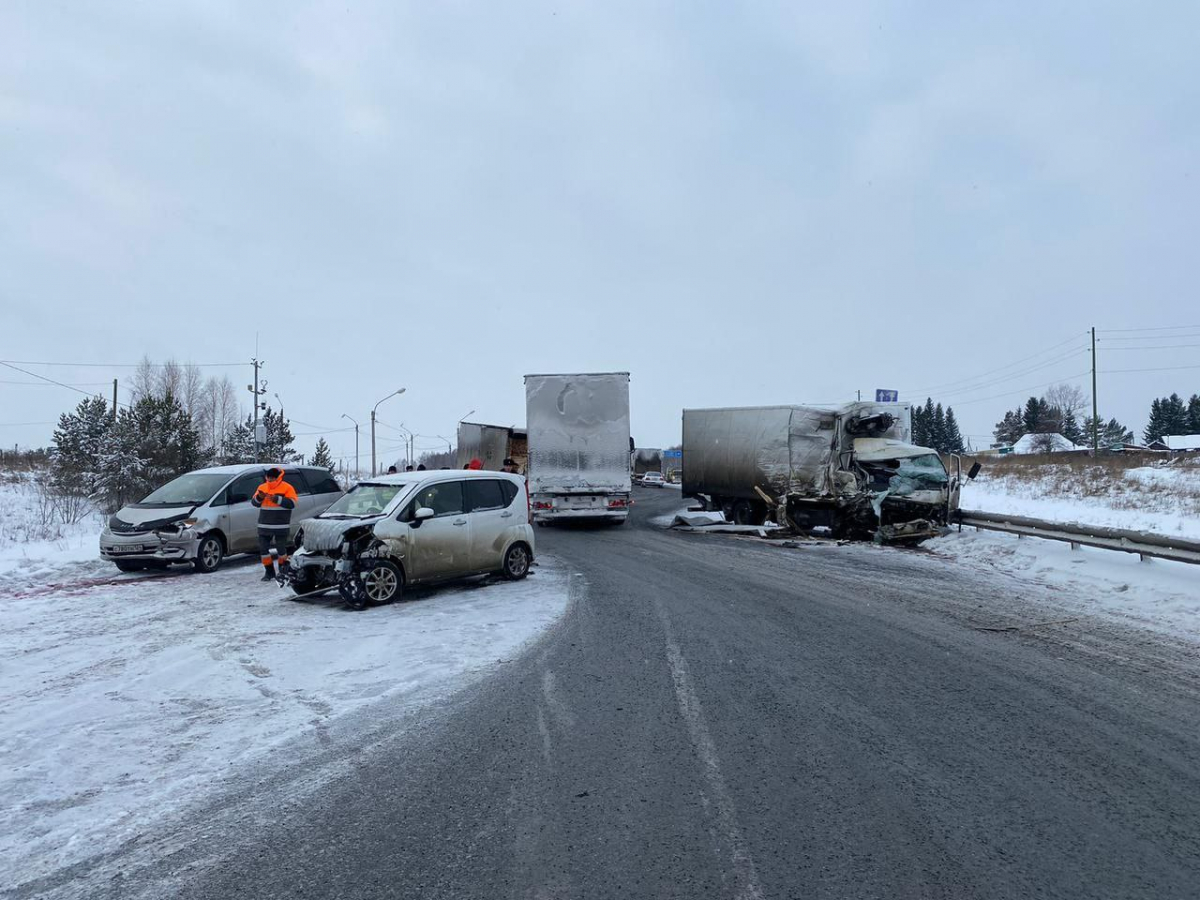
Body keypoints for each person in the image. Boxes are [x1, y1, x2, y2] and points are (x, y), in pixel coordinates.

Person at [251, 467, 298, 582]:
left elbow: (292, 503)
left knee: (281, 550)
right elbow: (254, 503)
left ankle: (283, 571)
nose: (270, 479)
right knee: (263, 550)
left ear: (278, 477)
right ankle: (269, 572)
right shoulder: (262, 487)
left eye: (272, 477)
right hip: (264, 524)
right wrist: (259, 497)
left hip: (280, 525)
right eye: (268, 477)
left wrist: (277, 499)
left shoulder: (287, 487)